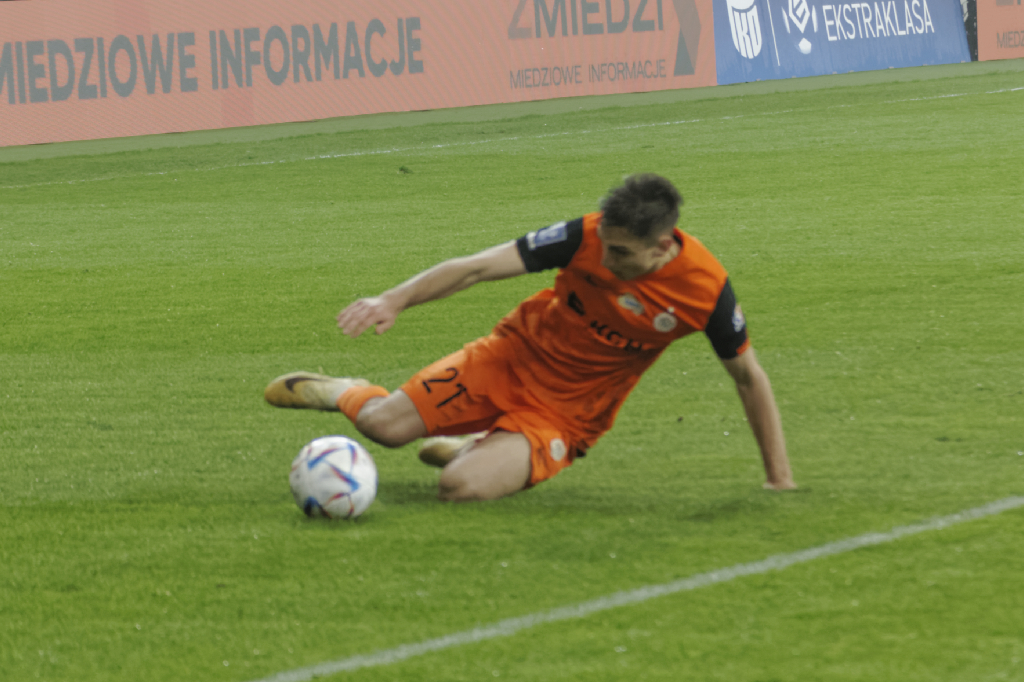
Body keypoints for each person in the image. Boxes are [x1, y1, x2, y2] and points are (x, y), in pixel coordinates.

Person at [265, 174, 795, 501]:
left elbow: (749, 377)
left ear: (661, 246)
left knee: (460, 488)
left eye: (621, 254)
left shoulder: (705, 290)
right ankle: (346, 391)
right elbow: (476, 267)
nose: (606, 259)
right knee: (382, 427)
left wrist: (779, 477)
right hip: (509, 358)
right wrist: (393, 300)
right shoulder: (584, 235)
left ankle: (477, 450)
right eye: (604, 244)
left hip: (566, 414)